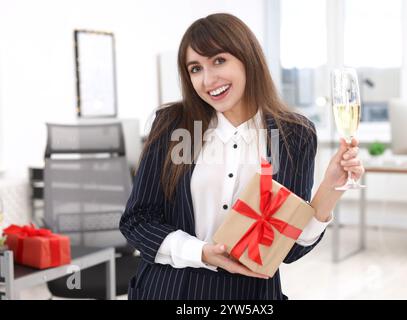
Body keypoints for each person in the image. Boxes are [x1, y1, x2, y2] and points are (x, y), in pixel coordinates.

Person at [120, 13, 364, 300]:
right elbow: (137, 221)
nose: (208, 79)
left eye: (219, 61)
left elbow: (289, 250)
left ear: (247, 58)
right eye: (195, 68)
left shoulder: (294, 134)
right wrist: (201, 253)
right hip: (171, 290)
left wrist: (330, 188)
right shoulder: (172, 126)